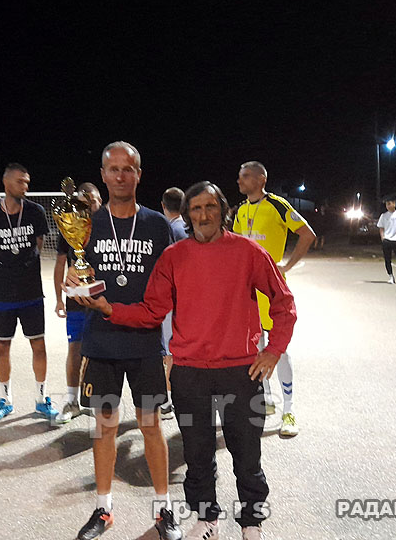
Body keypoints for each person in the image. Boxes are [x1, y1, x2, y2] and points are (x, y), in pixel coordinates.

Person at [78, 181, 296, 540]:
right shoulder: (174, 257)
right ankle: (207, 519)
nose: (204, 214)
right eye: (196, 208)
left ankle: (251, 523)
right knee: (197, 455)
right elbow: (152, 311)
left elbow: (283, 301)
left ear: (223, 211)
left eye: (211, 206)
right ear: (188, 214)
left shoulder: (248, 252)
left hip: (241, 372)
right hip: (190, 374)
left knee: (247, 456)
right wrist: (109, 309)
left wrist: (274, 350)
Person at [68, 141, 180, 540]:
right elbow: (77, 275)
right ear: (102, 175)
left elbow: (172, 283)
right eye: (113, 169)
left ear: (138, 174)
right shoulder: (85, 224)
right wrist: (73, 283)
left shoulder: (156, 225)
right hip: (102, 342)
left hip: (145, 341)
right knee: (104, 427)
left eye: (127, 168)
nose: (120, 175)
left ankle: (164, 510)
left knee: (151, 425)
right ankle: (104, 509)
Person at [233, 161, 315, 438]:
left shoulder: (278, 206)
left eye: (245, 176)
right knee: (255, 346)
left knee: (279, 350)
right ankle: (266, 398)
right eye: (240, 176)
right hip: (247, 293)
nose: (240, 181)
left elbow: (307, 234)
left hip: (270, 291)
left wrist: (286, 266)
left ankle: (289, 411)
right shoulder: (240, 210)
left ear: (261, 179)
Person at [0, 163, 58, 422]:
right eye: (20, 181)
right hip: (2, 292)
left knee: (39, 345)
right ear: (6, 183)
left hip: (31, 290)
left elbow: (38, 244)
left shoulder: (35, 211)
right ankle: (6, 400)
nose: (25, 186)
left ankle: (41, 399)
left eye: (27, 182)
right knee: (2, 346)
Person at [54, 182, 102, 424]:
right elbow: (60, 262)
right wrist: (58, 299)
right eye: (85, 202)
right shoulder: (70, 224)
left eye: (94, 201)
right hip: (76, 297)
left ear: (100, 201)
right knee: (75, 348)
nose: (90, 206)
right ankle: (72, 401)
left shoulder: (108, 225)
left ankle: (97, 400)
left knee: (101, 350)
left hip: (103, 296)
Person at [159, 186, 188, 419]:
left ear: (163, 206)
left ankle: (169, 401)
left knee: (170, 351)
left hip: (174, 299)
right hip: (188, 298)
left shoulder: (170, 229)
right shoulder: (188, 227)